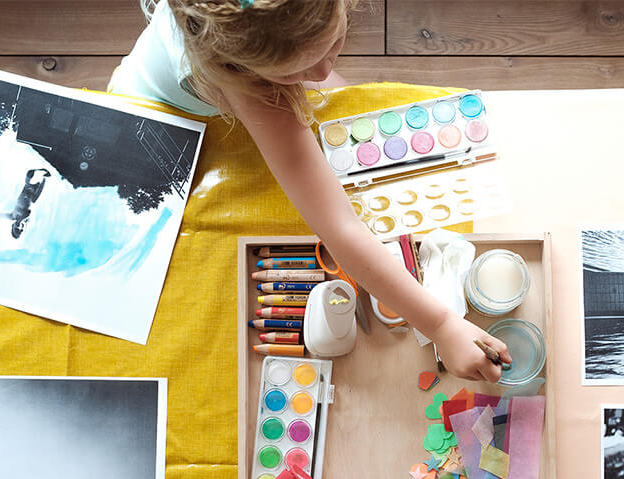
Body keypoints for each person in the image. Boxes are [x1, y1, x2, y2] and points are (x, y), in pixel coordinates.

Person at [108, 0, 510, 381]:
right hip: (153, 125)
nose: (320, 73)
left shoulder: (272, 46)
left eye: (333, 42)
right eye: (293, 73)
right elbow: (340, 228)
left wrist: (295, 71)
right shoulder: (250, 85)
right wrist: (440, 325)